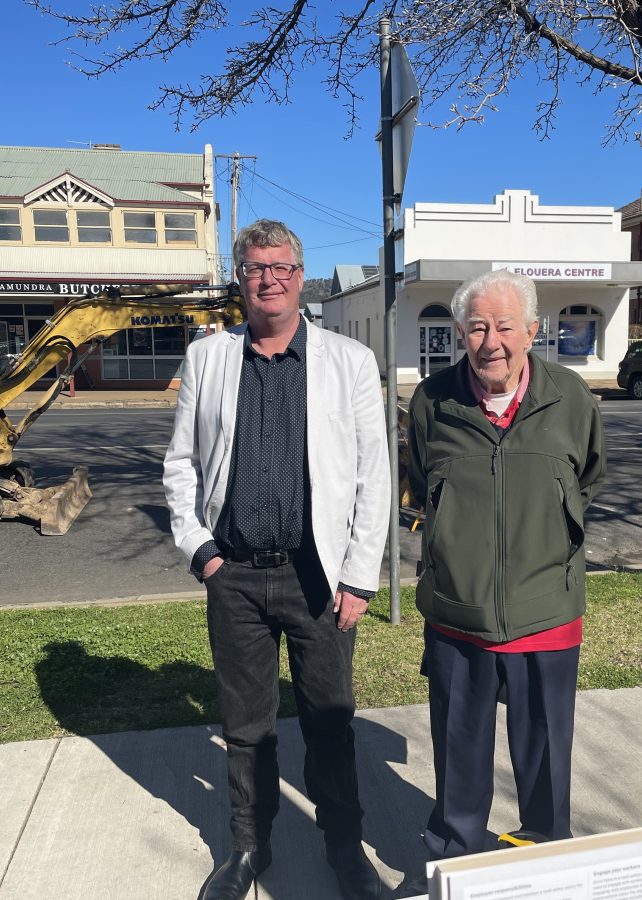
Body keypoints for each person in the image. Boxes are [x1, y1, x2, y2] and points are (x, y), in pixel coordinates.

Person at [163, 219, 391, 900]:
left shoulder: (348, 361)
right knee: (245, 728)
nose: (270, 278)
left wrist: (358, 577)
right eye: (256, 267)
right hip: (233, 575)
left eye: (282, 267)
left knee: (330, 722)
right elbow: (180, 463)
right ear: (241, 278)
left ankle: (345, 852)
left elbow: (373, 477)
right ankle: (246, 850)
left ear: (300, 275)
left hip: (317, 576)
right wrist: (200, 551)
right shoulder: (208, 360)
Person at [404, 268, 605, 883]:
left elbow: (588, 478)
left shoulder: (571, 397)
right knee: (458, 754)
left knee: (544, 758)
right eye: (477, 327)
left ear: (532, 331)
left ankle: (546, 859)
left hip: (546, 610)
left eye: (505, 326)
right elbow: (417, 486)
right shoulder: (431, 401)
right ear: (460, 333)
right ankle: (454, 864)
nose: (492, 340)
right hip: (457, 611)